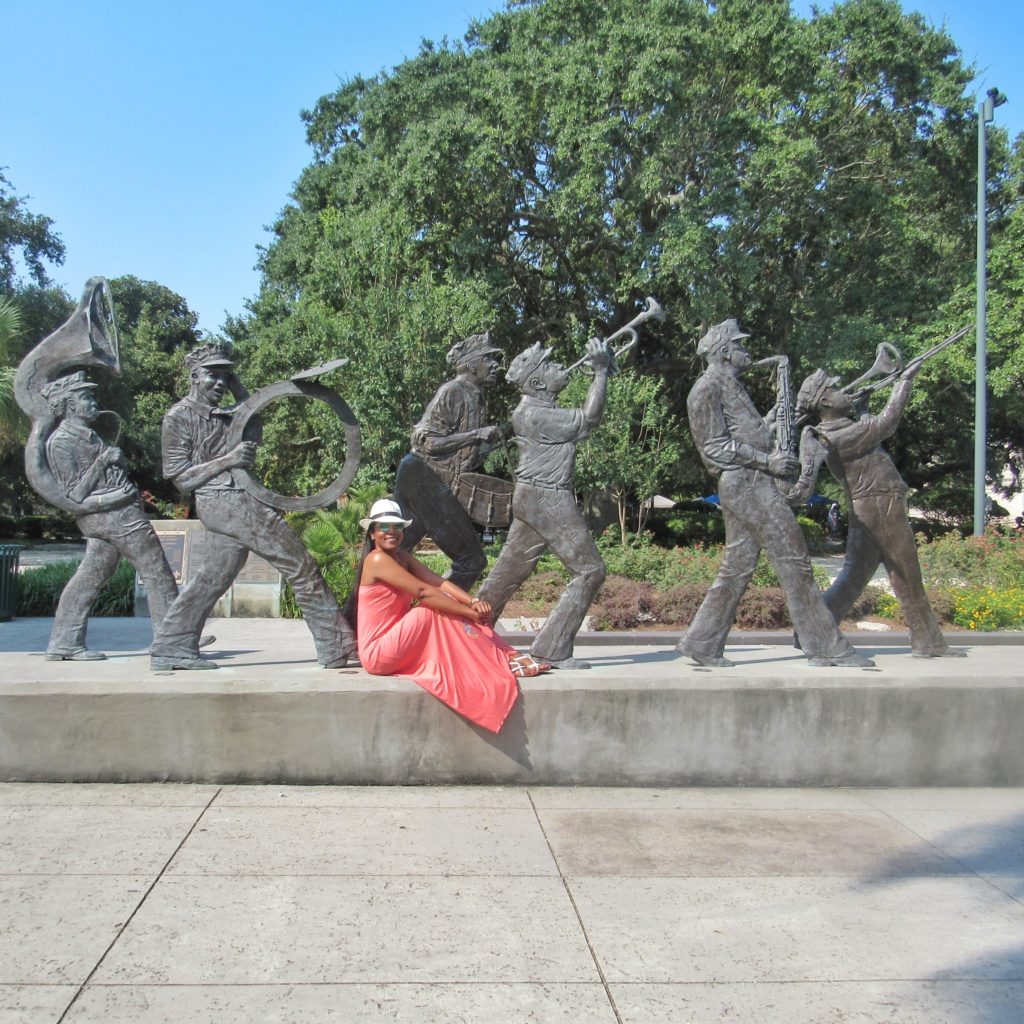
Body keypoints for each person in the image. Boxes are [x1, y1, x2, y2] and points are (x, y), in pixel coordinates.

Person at [677, 319, 872, 668]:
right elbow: (715, 448)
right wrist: (769, 461)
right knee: (795, 560)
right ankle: (824, 645)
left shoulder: (730, 386)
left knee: (736, 568)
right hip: (746, 483)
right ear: (724, 352)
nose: (746, 351)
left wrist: (780, 421)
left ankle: (702, 644)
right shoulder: (705, 389)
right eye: (740, 345)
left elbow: (747, 432)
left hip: (751, 481)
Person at [150, 341, 356, 670]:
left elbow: (254, 426)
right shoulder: (178, 417)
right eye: (212, 375)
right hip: (223, 500)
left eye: (225, 376)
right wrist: (227, 461)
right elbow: (180, 479)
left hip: (238, 498)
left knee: (214, 577)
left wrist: (241, 389)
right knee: (300, 566)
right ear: (193, 377)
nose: (219, 382)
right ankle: (338, 647)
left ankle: (172, 645)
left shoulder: (227, 416)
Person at [795, 363, 966, 658]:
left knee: (854, 578)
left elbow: (870, 427)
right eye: (836, 389)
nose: (843, 390)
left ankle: (811, 631)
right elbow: (886, 424)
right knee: (907, 573)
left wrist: (861, 409)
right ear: (824, 402)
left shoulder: (844, 428)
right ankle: (929, 642)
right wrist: (904, 382)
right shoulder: (833, 436)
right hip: (879, 506)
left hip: (874, 507)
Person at [352, 498, 546, 733]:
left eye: (397, 526)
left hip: (396, 641)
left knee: (447, 603)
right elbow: (423, 592)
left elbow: (440, 583)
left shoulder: (402, 558)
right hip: (378, 653)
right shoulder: (377, 559)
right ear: (372, 533)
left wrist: (472, 602)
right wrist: (470, 614)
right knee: (428, 610)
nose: (391, 531)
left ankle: (502, 656)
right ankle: (499, 660)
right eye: (384, 526)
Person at [475, 337, 611, 669]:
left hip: (534, 497)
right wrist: (601, 372)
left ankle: (465, 638)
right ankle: (552, 647)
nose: (559, 366)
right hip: (548, 497)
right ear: (537, 382)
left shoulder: (536, 410)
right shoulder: (536, 414)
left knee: (506, 574)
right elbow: (590, 418)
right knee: (591, 571)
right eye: (549, 365)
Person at [39, 371, 180, 661]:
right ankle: (175, 637)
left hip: (118, 512)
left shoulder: (91, 435)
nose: (94, 402)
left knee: (91, 575)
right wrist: (103, 462)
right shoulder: (61, 442)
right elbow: (75, 494)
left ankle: (64, 642)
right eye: (86, 397)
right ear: (68, 405)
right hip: (112, 516)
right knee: (156, 568)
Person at [393, 332, 509, 589]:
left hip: (431, 479)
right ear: (471, 364)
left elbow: (462, 454)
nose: (495, 365)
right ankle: (430, 617)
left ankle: (349, 622)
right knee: (471, 560)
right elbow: (427, 442)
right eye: (489, 359)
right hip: (423, 477)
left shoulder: (476, 396)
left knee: (392, 557)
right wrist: (475, 435)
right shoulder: (452, 391)